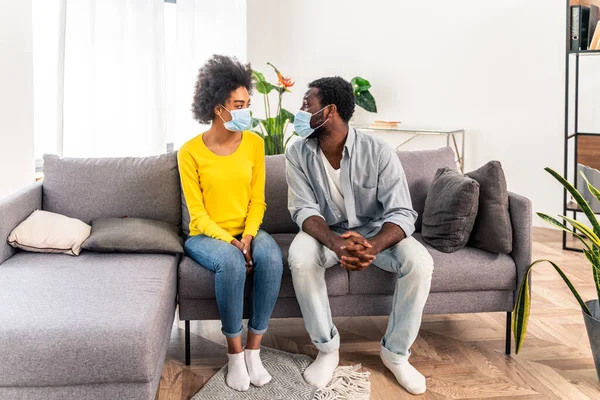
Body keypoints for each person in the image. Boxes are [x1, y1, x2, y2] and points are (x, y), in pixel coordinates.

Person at [286, 76, 434, 395]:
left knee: (419, 262)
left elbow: (402, 212)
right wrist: (337, 243)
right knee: (300, 257)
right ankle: (327, 349)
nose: (300, 110)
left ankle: (396, 354)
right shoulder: (298, 154)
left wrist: (372, 247)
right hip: (324, 235)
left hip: (374, 235)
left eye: (306, 103)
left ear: (329, 111)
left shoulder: (378, 151)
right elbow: (303, 210)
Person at [178, 55, 283, 392]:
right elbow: (197, 215)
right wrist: (233, 242)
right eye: (238, 104)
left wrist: (249, 235)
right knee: (230, 261)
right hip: (206, 236)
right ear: (216, 107)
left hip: (246, 229)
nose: (245, 112)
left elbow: (258, 200)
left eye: (247, 104)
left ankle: (254, 350)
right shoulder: (189, 152)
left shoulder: (254, 143)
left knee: (271, 255)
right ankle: (234, 354)